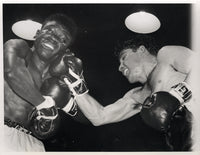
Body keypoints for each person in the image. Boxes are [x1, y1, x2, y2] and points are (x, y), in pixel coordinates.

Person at [59, 35, 197, 151]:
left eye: (124, 57)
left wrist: (179, 94)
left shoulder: (165, 55)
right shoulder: (137, 96)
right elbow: (100, 117)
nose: (120, 68)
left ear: (141, 50)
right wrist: (76, 86)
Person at [3, 13, 86, 151]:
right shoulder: (18, 47)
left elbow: (88, 118)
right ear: (37, 33)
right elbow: (12, 73)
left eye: (62, 39)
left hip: (32, 144)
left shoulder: (57, 81)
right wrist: (45, 105)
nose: (53, 38)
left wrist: (77, 86)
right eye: (49, 30)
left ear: (65, 49)